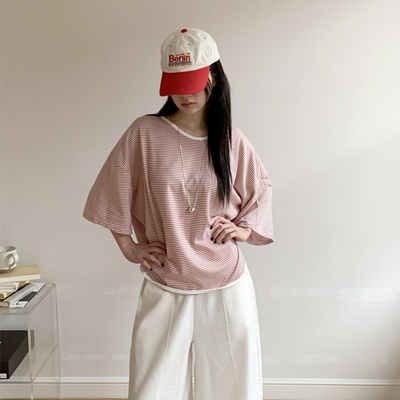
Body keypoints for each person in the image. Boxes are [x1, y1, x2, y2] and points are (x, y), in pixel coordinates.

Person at [83, 27, 273, 400]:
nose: (185, 95)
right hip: (166, 280)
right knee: (154, 388)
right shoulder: (144, 133)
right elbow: (111, 187)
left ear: (214, 77)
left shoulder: (230, 140)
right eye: (176, 84)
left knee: (234, 387)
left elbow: (261, 188)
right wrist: (128, 246)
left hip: (226, 283)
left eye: (194, 83)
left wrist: (243, 230)